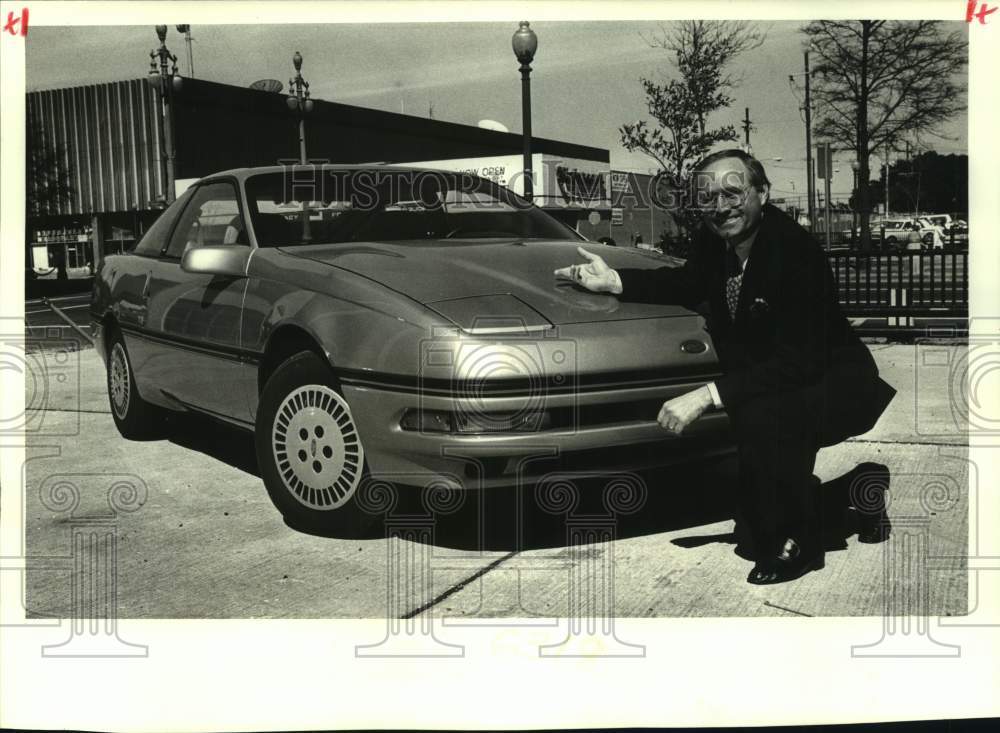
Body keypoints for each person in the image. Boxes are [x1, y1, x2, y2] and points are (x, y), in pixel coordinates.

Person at [554, 149, 896, 585]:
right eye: (708, 197)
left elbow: (799, 360)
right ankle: (860, 488)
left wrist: (705, 396)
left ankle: (802, 544)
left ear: (762, 193)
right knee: (751, 530)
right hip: (777, 388)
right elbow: (689, 281)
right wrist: (616, 281)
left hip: (834, 386)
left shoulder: (795, 252)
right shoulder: (715, 240)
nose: (719, 207)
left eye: (732, 193)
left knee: (769, 435)